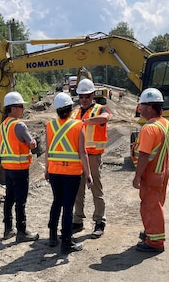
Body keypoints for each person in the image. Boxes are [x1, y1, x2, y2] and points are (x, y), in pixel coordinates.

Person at [45, 92, 93, 254]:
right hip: (72, 173)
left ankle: (52, 236)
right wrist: (88, 174)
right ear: (71, 109)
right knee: (67, 207)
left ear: (57, 110)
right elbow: (83, 153)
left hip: (54, 171)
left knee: (56, 202)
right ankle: (66, 242)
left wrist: (46, 169)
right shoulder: (78, 125)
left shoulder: (50, 126)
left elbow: (48, 150)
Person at [132, 88, 169, 253]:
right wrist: (165, 170)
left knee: (151, 207)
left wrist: (137, 176)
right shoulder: (167, 125)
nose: (140, 109)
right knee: (156, 205)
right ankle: (151, 233)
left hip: (151, 175)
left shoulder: (149, 128)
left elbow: (144, 155)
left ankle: (155, 242)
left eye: (141, 105)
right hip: (162, 173)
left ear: (149, 106)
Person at [71, 78, 111, 238]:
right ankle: (77, 220)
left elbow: (105, 118)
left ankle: (99, 221)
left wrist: (84, 122)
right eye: (81, 96)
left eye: (87, 96)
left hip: (93, 156)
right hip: (78, 156)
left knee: (96, 189)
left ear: (93, 94)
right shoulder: (74, 112)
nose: (84, 99)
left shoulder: (101, 109)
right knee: (78, 190)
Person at [0, 91, 39, 243]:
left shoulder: (3, 125)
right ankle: (22, 232)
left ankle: (8, 229)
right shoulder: (19, 125)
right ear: (13, 108)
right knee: (20, 200)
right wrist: (33, 143)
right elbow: (32, 144)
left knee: (9, 198)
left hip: (8, 168)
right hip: (20, 168)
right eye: (21, 106)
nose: (23, 109)